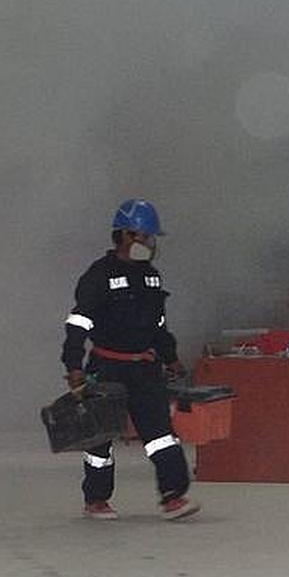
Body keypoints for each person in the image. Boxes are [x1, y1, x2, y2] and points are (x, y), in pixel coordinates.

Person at [61, 198, 200, 520]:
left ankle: (173, 497)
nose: (150, 244)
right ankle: (96, 499)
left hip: (145, 369)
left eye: (151, 237)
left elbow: (159, 327)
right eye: (145, 236)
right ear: (125, 234)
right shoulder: (99, 275)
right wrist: (73, 366)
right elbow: (78, 323)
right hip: (106, 367)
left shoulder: (151, 277)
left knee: (161, 435)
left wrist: (171, 358)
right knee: (100, 438)